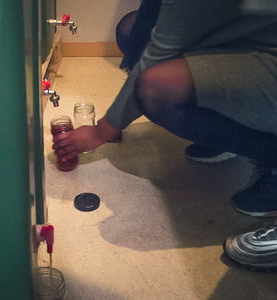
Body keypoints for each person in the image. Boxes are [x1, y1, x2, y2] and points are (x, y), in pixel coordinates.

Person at [53, 1, 277, 269]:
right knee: (131, 29)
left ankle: (271, 156)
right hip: (253, 35)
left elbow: (159, 54)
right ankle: (230, 129)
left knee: (156, 88)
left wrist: (102, 130)